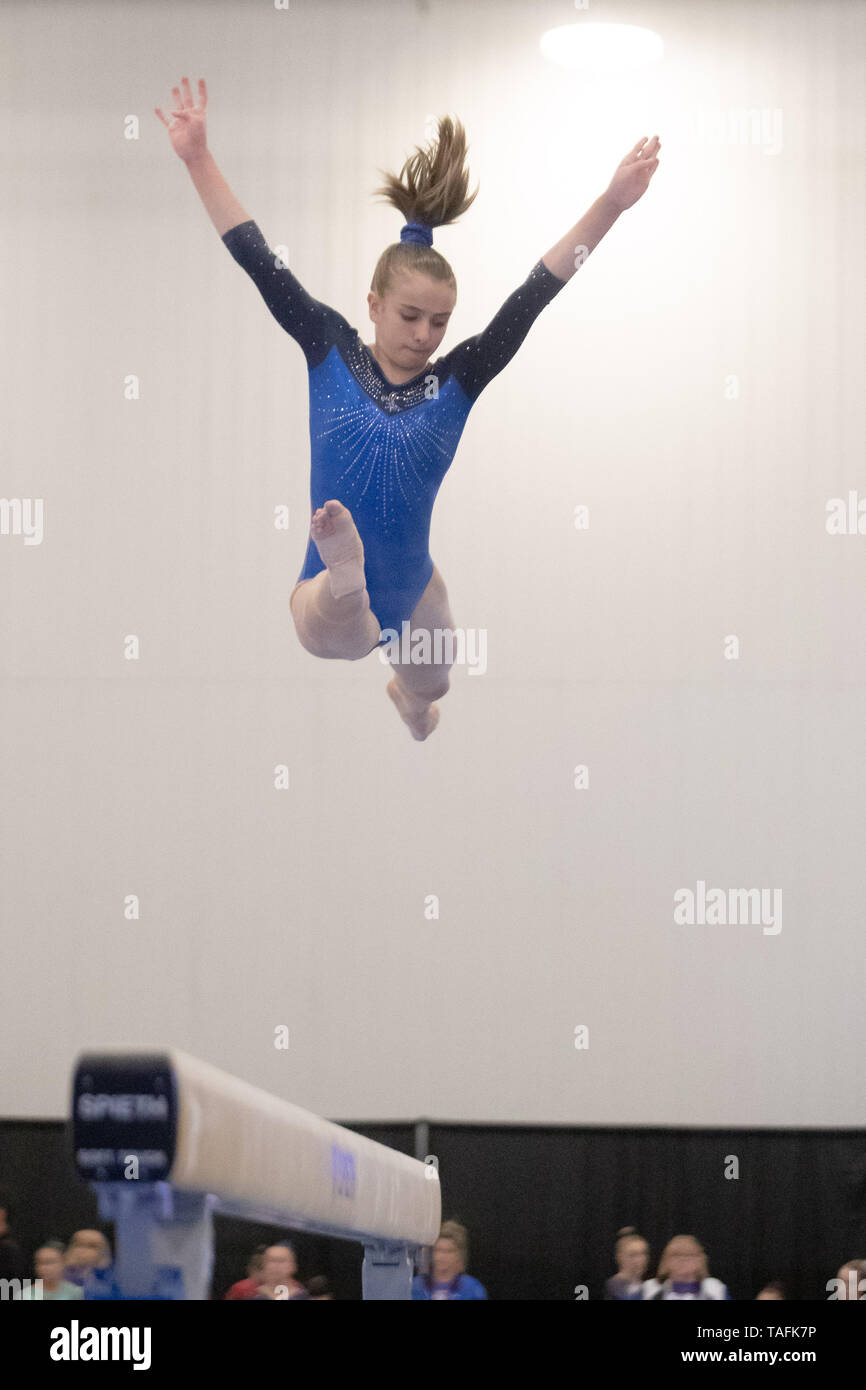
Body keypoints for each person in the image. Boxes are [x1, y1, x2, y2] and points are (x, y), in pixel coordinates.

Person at [156, 77, 661, 739]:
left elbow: (536, 292)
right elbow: (256, 258)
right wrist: (198, 157)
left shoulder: (459, 380)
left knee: (434, 678)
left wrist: (613, 204)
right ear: (373, 305)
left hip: (413, 585)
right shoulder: (327, 345)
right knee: (343, 628)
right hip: (322, 591)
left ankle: (411, 700)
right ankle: (345, 571)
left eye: (439, 322)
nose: (424, 334)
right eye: (410, 315)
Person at [412, 1220, 487, 1299]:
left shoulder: (471, 1288)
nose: (441, 1256)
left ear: (459, 1254)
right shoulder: (416, 1286)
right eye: (438, 1250)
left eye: (448, 1251)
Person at [642, 1234, 730, 1300]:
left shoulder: (715, 1289)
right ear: (665, 1261)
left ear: (701, 1260)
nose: (683, 1259)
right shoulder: (650, 1289)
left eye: (690, 1254)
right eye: (676, 1255)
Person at [15, 1241, 84, 1300]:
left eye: (50, 1262)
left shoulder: (75, 1292)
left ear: (63, 1263)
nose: (44, 1268)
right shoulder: (25, 1295)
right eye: (40, 1262)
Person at [604, 1226, 650, 1299]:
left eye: (643, 1253)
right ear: (620, 1257)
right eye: (633, 1255)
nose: (639, 1260)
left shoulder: (649, 1287)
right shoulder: (614, 1286)